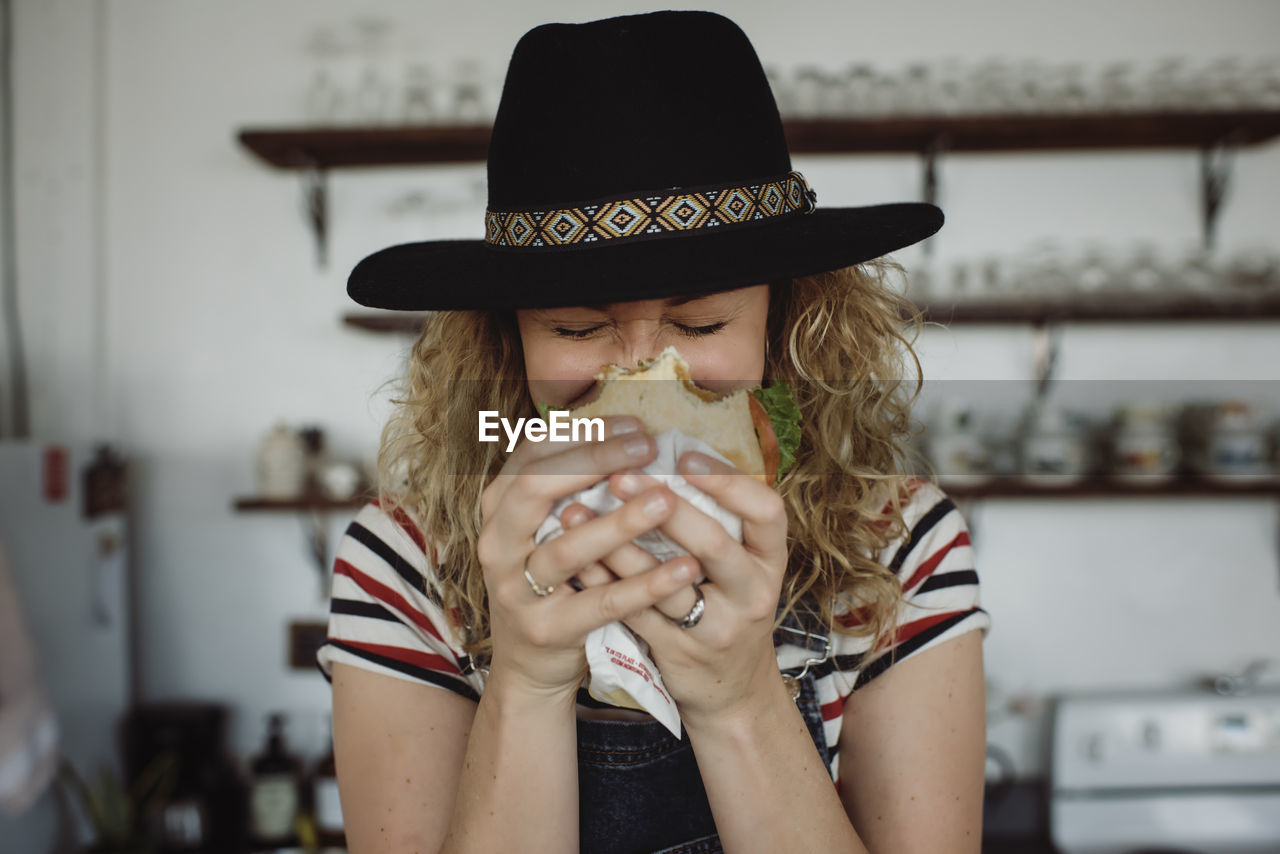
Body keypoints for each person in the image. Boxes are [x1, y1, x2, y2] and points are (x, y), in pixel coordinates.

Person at [317, 11, 988, 853]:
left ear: (784, 327)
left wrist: (737, 695)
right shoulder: (403, 563)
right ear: (506, 341)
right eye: (572, 329)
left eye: (703, 324)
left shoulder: (901, 546)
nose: (641, 372)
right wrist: (524, 683)